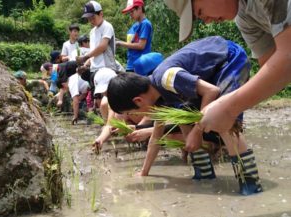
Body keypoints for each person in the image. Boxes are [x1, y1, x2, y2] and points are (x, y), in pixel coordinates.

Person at [107, 36, 263, 196]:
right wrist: (144, 172)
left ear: (138, 101)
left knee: (224, 121)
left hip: (229, 59)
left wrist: (198, 130)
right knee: (184, 120)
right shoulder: (159, 100)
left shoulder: (166, 78)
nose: (134, 117)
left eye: (131, 113)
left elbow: (212, 91)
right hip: (212, 73)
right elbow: (156, 138)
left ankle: (250, 183)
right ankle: (204, 175)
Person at [163, 0, 291, 134]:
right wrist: (225, 104)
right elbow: (273, 68)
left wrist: (229, 107)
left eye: (200, 12)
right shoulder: (245, 19)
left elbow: (287, 59)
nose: (206, 21)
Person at [116, 0, 153, 72]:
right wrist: (117, 41)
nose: (130, 14)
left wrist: (120, 43)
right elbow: (131, 44)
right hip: (130, 65)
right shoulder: (133, 26)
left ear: (139, 8)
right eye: (129, 12)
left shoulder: (145, 24)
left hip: (141, 65)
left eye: (132, 11)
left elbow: (141, 45)